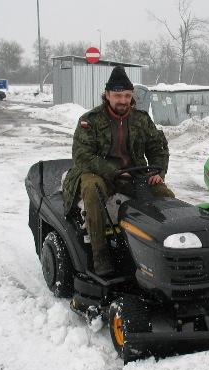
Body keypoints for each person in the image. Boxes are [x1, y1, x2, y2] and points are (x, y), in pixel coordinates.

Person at [62, 66, 174, 276]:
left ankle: (165, 252)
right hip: (100, 174)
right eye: (117, 95)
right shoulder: (90, 120)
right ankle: (100, 255)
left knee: (165, 198)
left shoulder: (141, 119)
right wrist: (114, 171)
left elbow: (158, 147)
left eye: (127, 95)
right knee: (92, 191)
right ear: (107, 95)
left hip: (135, 174)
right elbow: (82, 157)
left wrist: (159, 171)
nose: (123, 100)